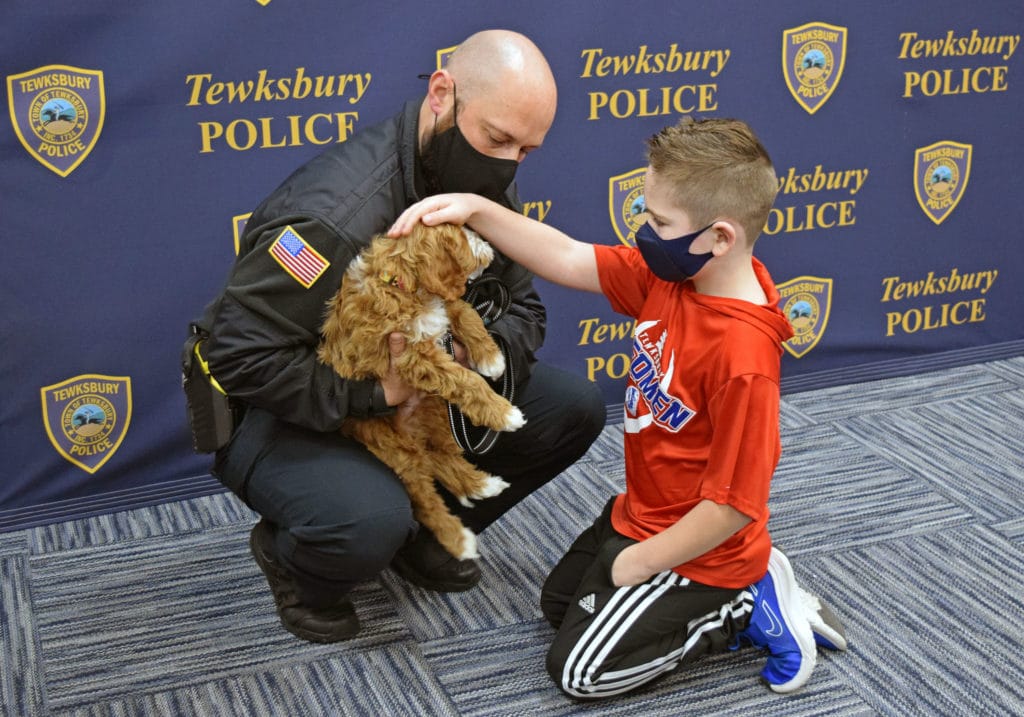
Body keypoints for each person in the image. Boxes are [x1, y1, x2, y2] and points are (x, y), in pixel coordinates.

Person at [389, 116, 848, 698]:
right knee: (558, 607)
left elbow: (733, 507)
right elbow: (570, 257)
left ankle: (738, 607)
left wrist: (643, 562)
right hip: (641, 514)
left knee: (579, 673)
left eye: (660, 223)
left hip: (700, 553)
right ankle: (702, 588)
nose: (645, 233)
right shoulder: (679, 279)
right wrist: (477, 209)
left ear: (720, 237)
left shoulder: (744, 360)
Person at [187, 30, 606, 644]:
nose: (509, 163)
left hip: (417, 384)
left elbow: (524, 309)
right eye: (497, 139)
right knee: (366, 521)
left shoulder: (482, 182)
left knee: (573, 409)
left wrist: (461, 355)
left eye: (526, 149)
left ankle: (425, 532)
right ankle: (296, 558)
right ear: (442, 94)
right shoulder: (330, 216)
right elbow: (239, 358)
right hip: (281, 407)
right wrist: (378, 393)